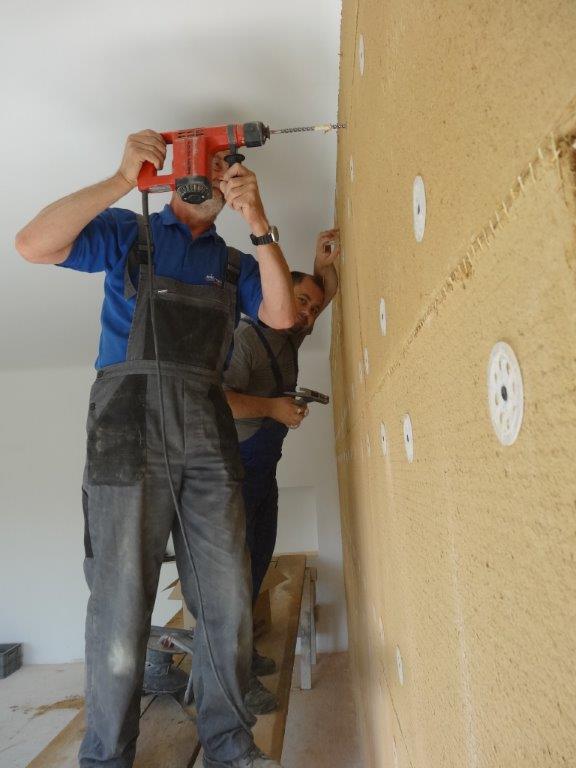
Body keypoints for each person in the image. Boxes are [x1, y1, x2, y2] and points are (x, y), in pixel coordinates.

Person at [15, 129, 297, 768]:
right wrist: (122, 179)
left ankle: (229, 746)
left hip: (207, 427)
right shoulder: (129, 232)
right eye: (205, 162)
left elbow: (281, 317)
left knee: (227, 594)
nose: (213, 175)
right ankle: (107, 757)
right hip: (126, 423)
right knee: (120, 597)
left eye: (225, 166)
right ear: (174, 172)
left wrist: (260, 224)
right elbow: (32, 245)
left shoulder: (236, 264)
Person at [222, 230, 339, 713]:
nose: (308, 313)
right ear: (277, 294)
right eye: (301, 302)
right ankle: (232, 681)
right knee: (236, 574)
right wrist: (273, 408)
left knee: (258, 561)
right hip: (237, 470)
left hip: (263, 468)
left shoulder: (289, 332)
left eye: (311, 308)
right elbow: (219, 401)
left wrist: (321, 264)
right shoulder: (247, 339)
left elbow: (325, 297)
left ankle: (243, 655)